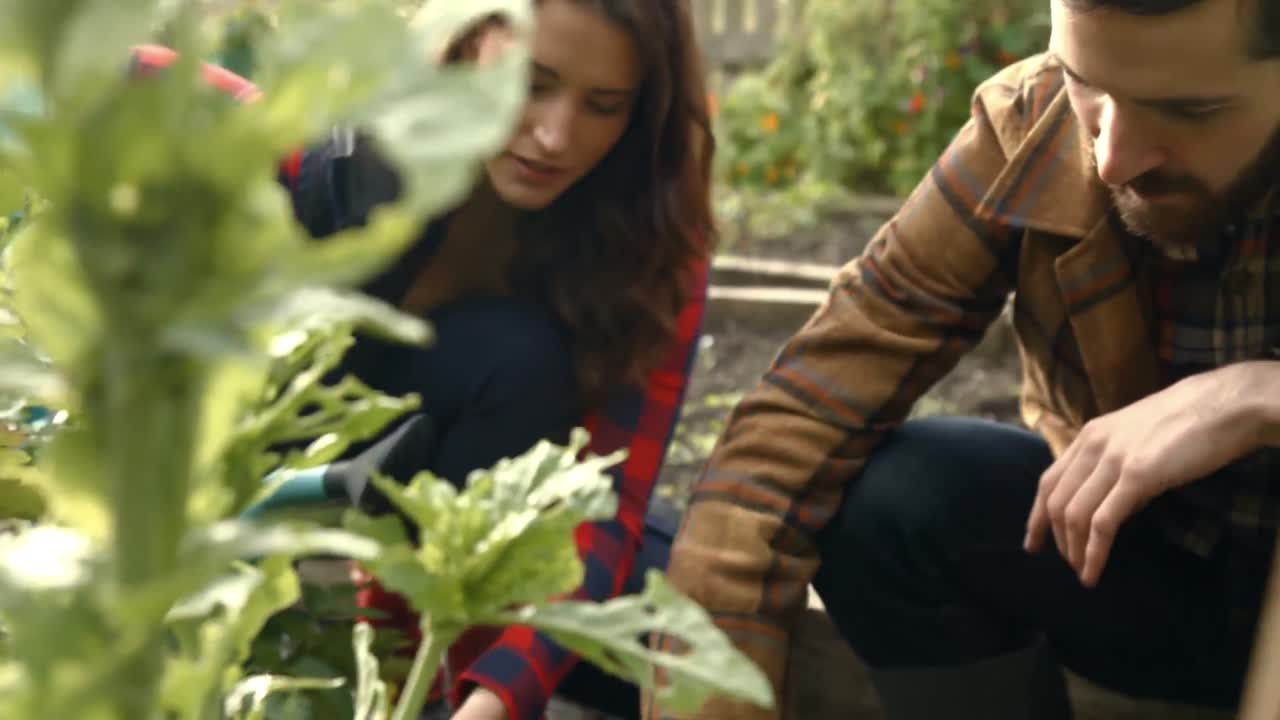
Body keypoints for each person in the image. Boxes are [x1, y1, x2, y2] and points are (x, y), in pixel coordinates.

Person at [646, 1, 1280, 719]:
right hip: (1160, 577)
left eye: (1191, 110)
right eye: (1086, 84)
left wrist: (1257, 397)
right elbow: (800, 418)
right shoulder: (1033, 126)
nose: (1111, 157)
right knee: (900, 498)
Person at [129, 1, 715, 719]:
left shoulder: (648, 249)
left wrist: (489, 700)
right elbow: (154, 84)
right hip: (281, 481)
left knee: (690, 620)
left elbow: (602, 506)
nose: (555, 136)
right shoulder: (348, 155)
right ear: (465, 42)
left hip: (474, 531)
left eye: (603, 105)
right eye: (530, 84)